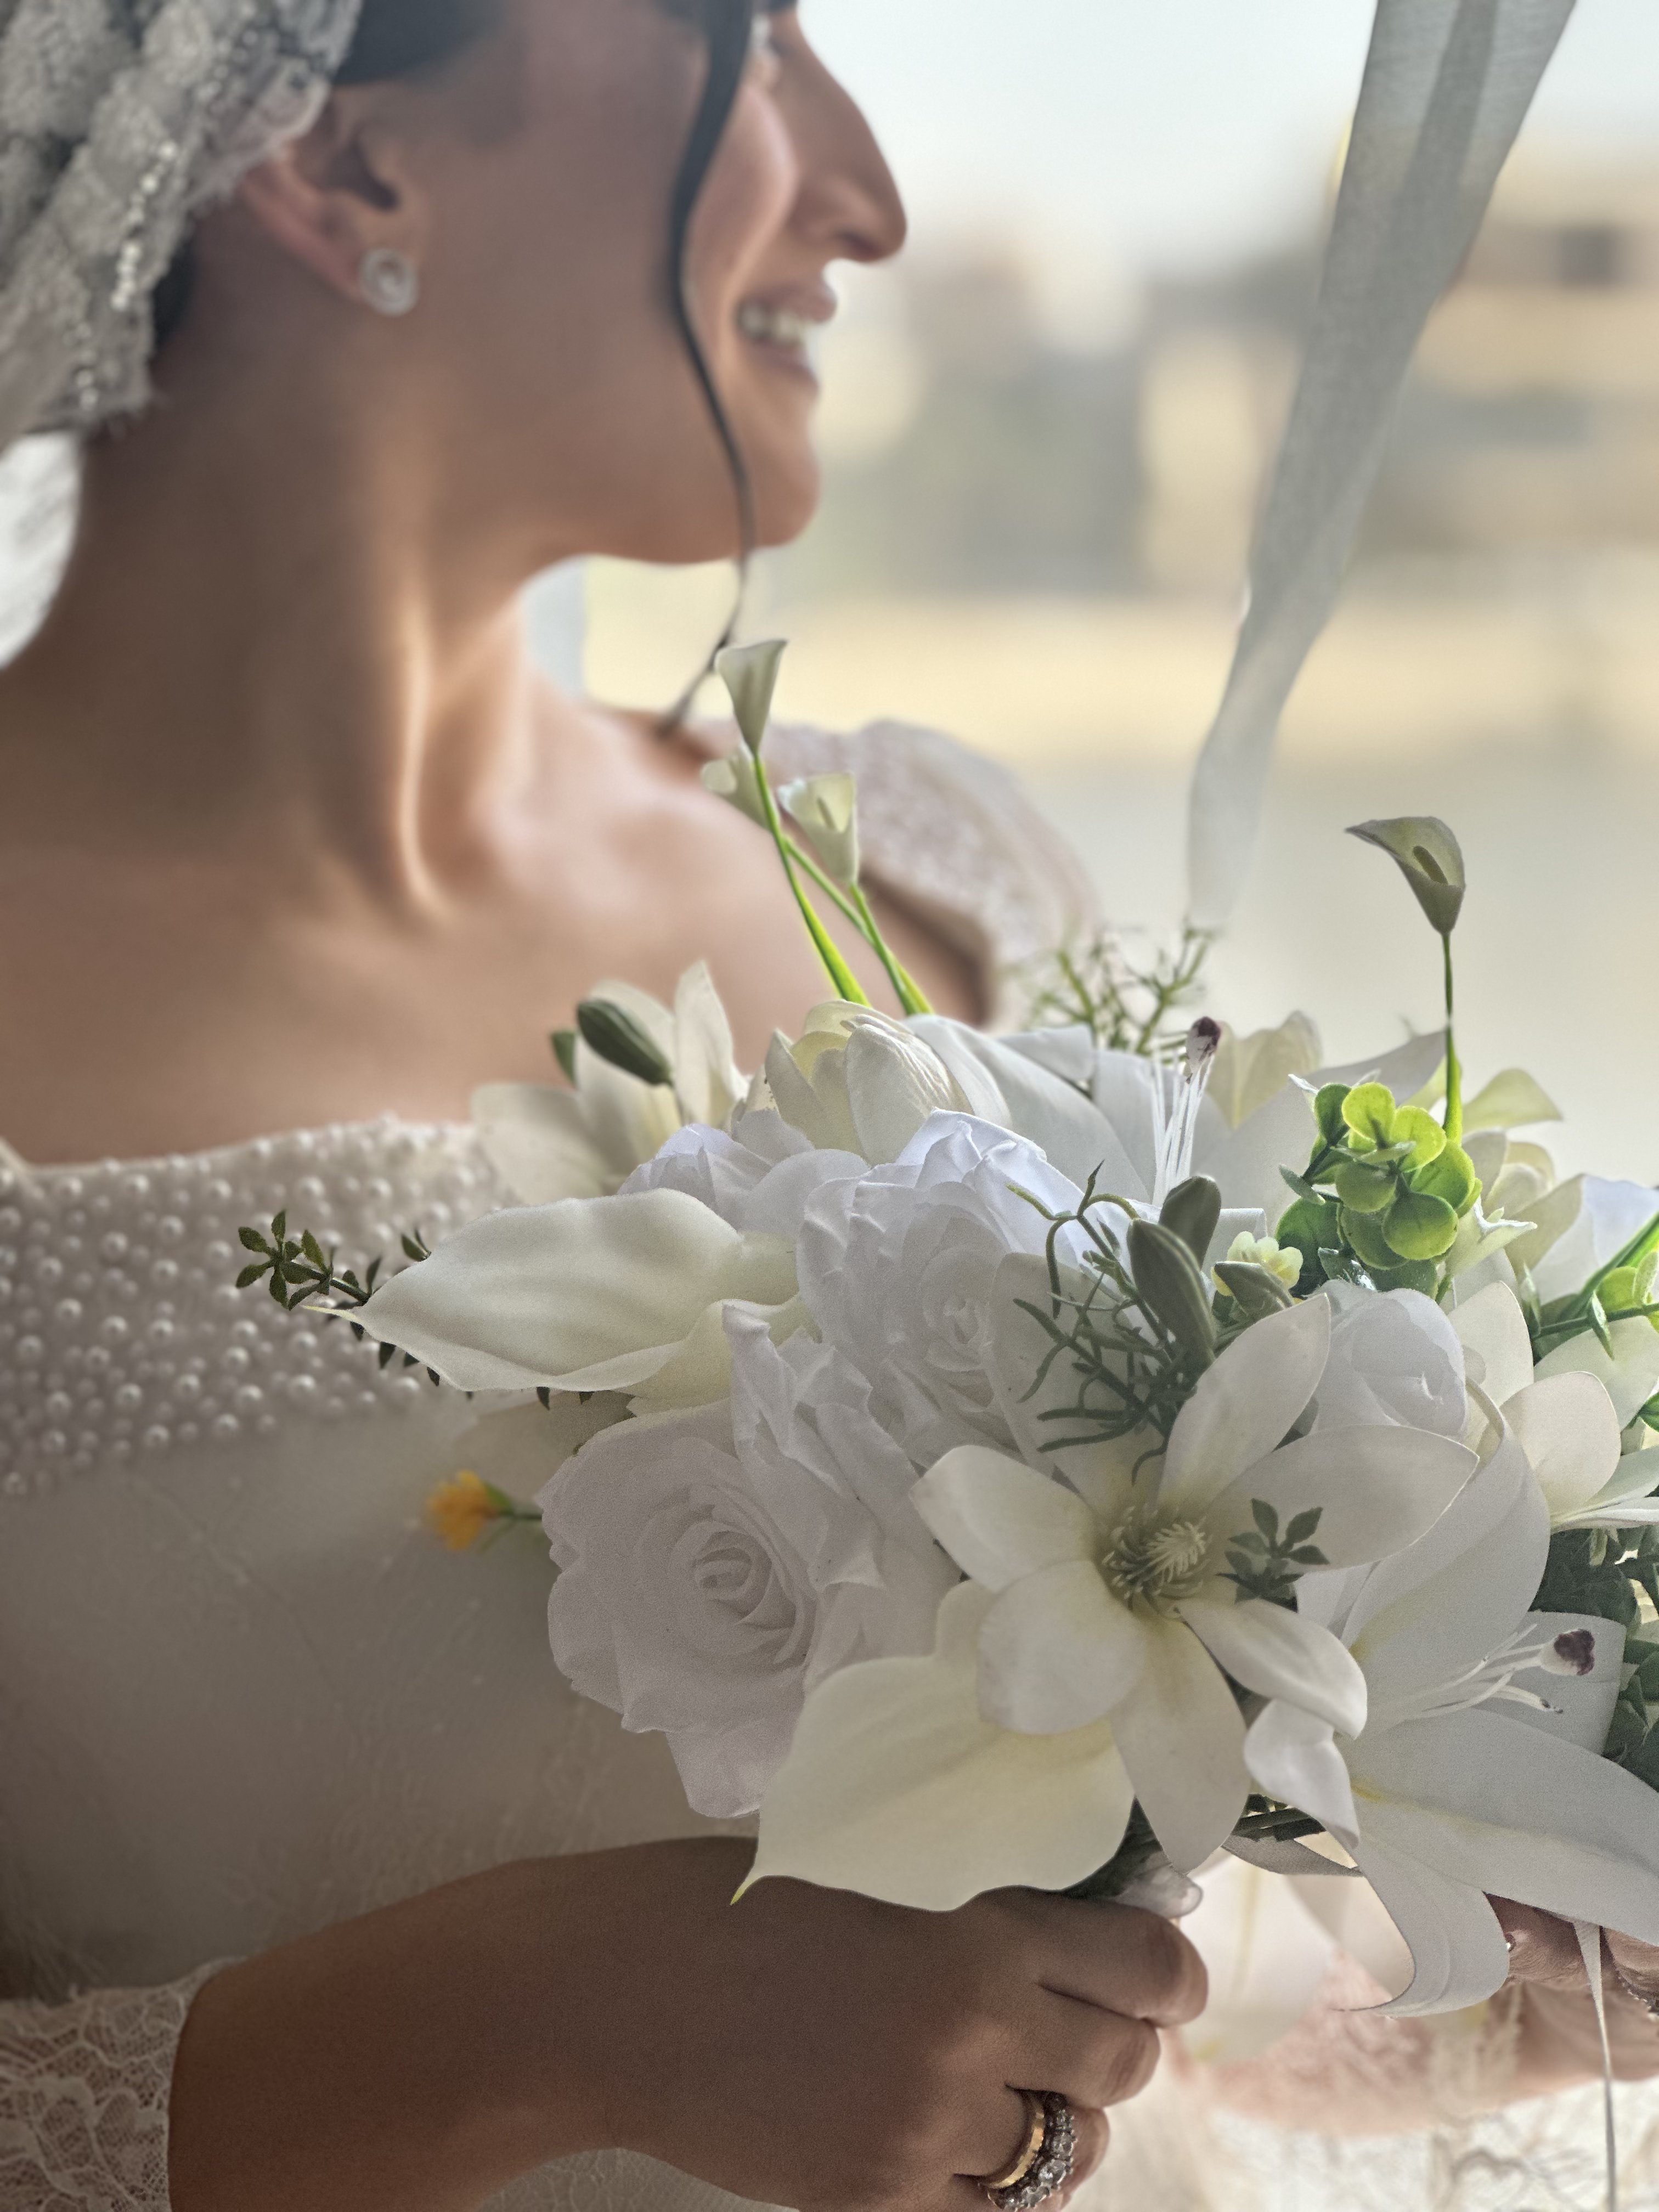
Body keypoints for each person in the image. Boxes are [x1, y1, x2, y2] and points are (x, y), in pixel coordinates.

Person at [0, 4, 1648, 2210]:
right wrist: (538, 2021)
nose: (866, 194)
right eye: (751, 36)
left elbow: (1139, 1986)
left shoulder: (926, 885)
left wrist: (1513, 1970)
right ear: (335, 157)